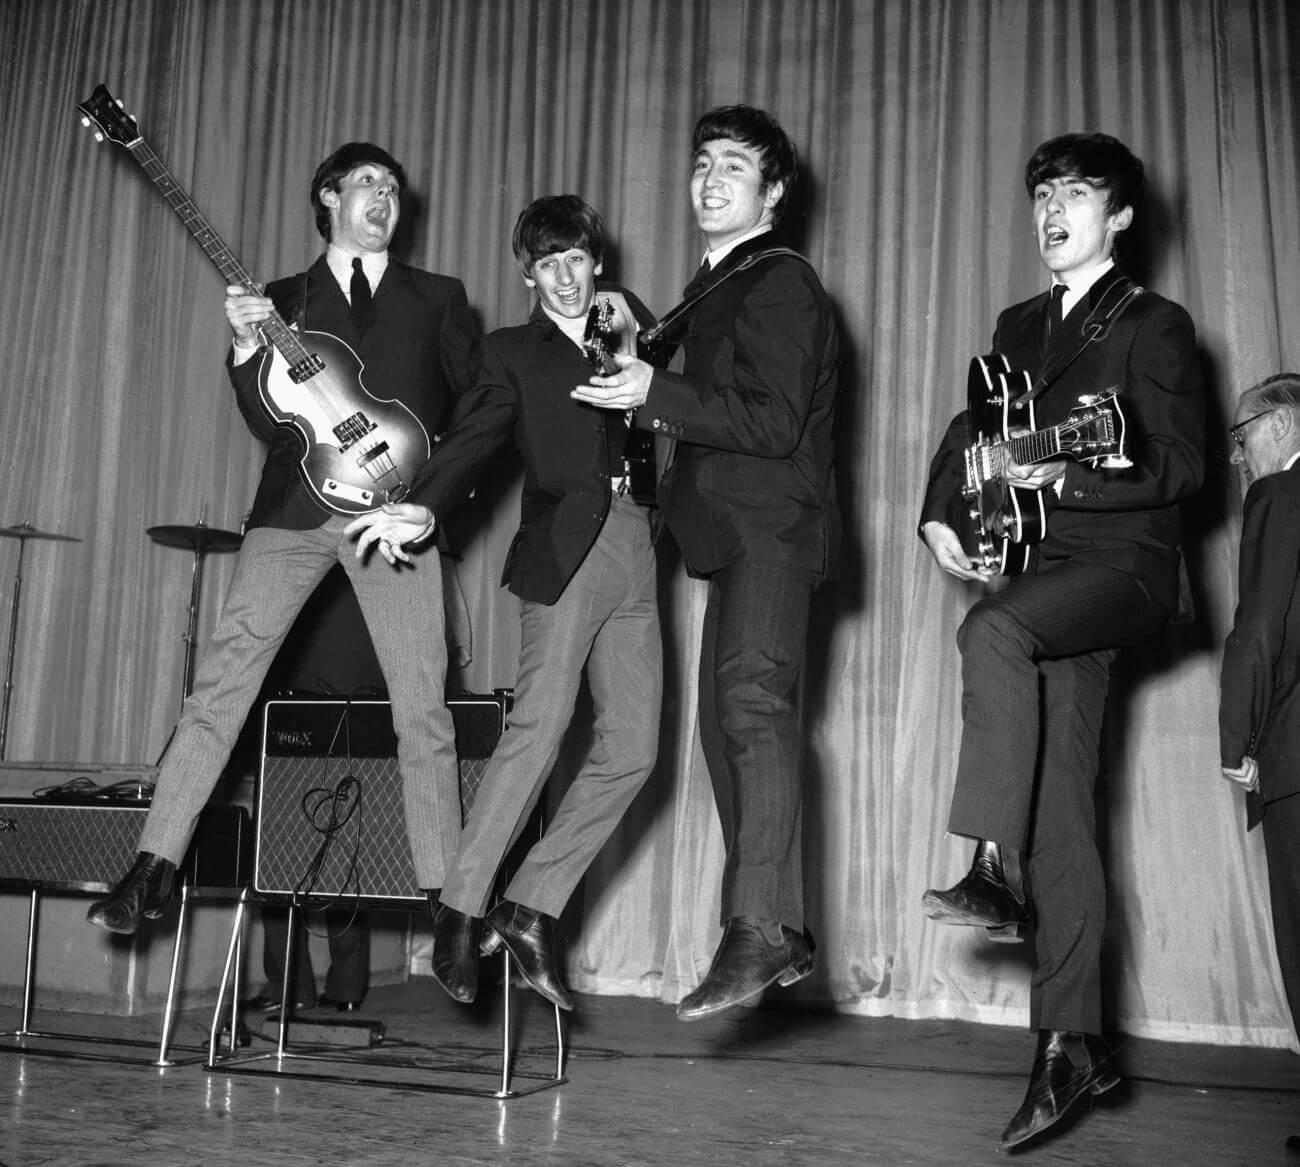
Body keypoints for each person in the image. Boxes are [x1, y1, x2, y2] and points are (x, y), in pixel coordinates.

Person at [88, 144, 479, 987]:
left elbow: (479, 408)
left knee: (424, 705)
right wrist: (239, 350)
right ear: (329, 197)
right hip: (294, 506)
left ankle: (449, 904)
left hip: (391, 512)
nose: (386, 195)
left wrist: (432, 498)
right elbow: (271, 421)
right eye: (368, 182)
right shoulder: (279, 300)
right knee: (220, 686)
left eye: (394, 187)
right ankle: (153, 863)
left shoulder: (439, 299)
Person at [918, 132, 1205, 1149]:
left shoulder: (1155, 327)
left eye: (1078, 193)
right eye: (1044, 191)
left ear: (1118, 216)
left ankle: (988, 864)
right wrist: (940, 508)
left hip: (1124, 569)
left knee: (989, 631)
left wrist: (1068, 479)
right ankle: (1069, 1042)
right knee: (1063, 815)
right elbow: (970, 435)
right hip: (1048, 577)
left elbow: (1179, 464)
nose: (1054, 207)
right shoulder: (1015, 325)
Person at [346, 195, 661, 1010]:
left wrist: (642, 335)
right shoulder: (512, 352)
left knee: (633, 749)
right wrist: (427, 502)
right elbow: (475, 434)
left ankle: (527, 907)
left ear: (599, 262)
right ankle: (459, 908)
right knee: (541, 728)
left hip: (638, 551)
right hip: (563, 553)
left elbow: (681, 413)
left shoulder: (632, 334)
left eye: (576, 259)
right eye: (547, 264)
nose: (564, 277)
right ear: (528, 274)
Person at [571, 105, 840, 1021]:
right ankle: (781, 929)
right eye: (702, 163)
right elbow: (716, 381)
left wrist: (654, 385)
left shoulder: (782, 282)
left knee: (753, 710)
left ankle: (762, 927)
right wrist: (642, 332)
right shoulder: (719, 283)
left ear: (774, 193)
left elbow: (768, 419)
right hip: (731, 537)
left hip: (769, 528)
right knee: (727, 732)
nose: (711, 177)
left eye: (736, 165)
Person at [1220, 372, 1300, 1053]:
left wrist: (1237, 738)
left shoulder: (1277, 495)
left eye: (1241, 437)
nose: (1237, 456)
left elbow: (1260, 629)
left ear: (1283, 423)